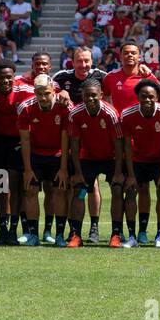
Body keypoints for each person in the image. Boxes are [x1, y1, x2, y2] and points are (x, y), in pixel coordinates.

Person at [63, 78, 124, 249]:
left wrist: (119, 171)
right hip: (88, 158)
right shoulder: (75, 113)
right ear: (82, 95)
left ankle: (115, 234)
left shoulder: (111, 113)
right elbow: (74, 146)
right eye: (87, 95)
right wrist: (77, 172)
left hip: (111, 159)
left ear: (101, 95)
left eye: (94, 95)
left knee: (117, 190)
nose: (90, 99)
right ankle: (76, 235)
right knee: (80, 191)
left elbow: (119, 145)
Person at [0, 61, 36, 245]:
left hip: (19, 143)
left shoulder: (26, 91)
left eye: (9, 77)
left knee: (15, 185)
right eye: (2, 77)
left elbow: (48, 96)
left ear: (14, 77)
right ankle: (3, 228)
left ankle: (13, 229)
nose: (6, 80)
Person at [119, 80, 160, 249]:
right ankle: (132, 236)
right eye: (143, 96)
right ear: (137, 96)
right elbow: (127, 147)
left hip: (159, 161)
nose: (147, 99)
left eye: (151, 96)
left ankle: (159, 236)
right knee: (130, 191)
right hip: (137, 161)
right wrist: (130, 175)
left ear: (157, 97)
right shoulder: (128, 114)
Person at [18, 75, 70, 246]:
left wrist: (63, 169)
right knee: (30, 191)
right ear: (34, 93)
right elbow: (25, 140)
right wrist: (27, 169)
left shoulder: (65, 107)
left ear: (53, 91)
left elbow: (66, 139)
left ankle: (60, 235)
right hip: (36, 156)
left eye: (47, 93)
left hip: (58, 155)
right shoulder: (26, 108)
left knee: (59, 192)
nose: (43, 97)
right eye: (39, 94)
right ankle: (33, 235)